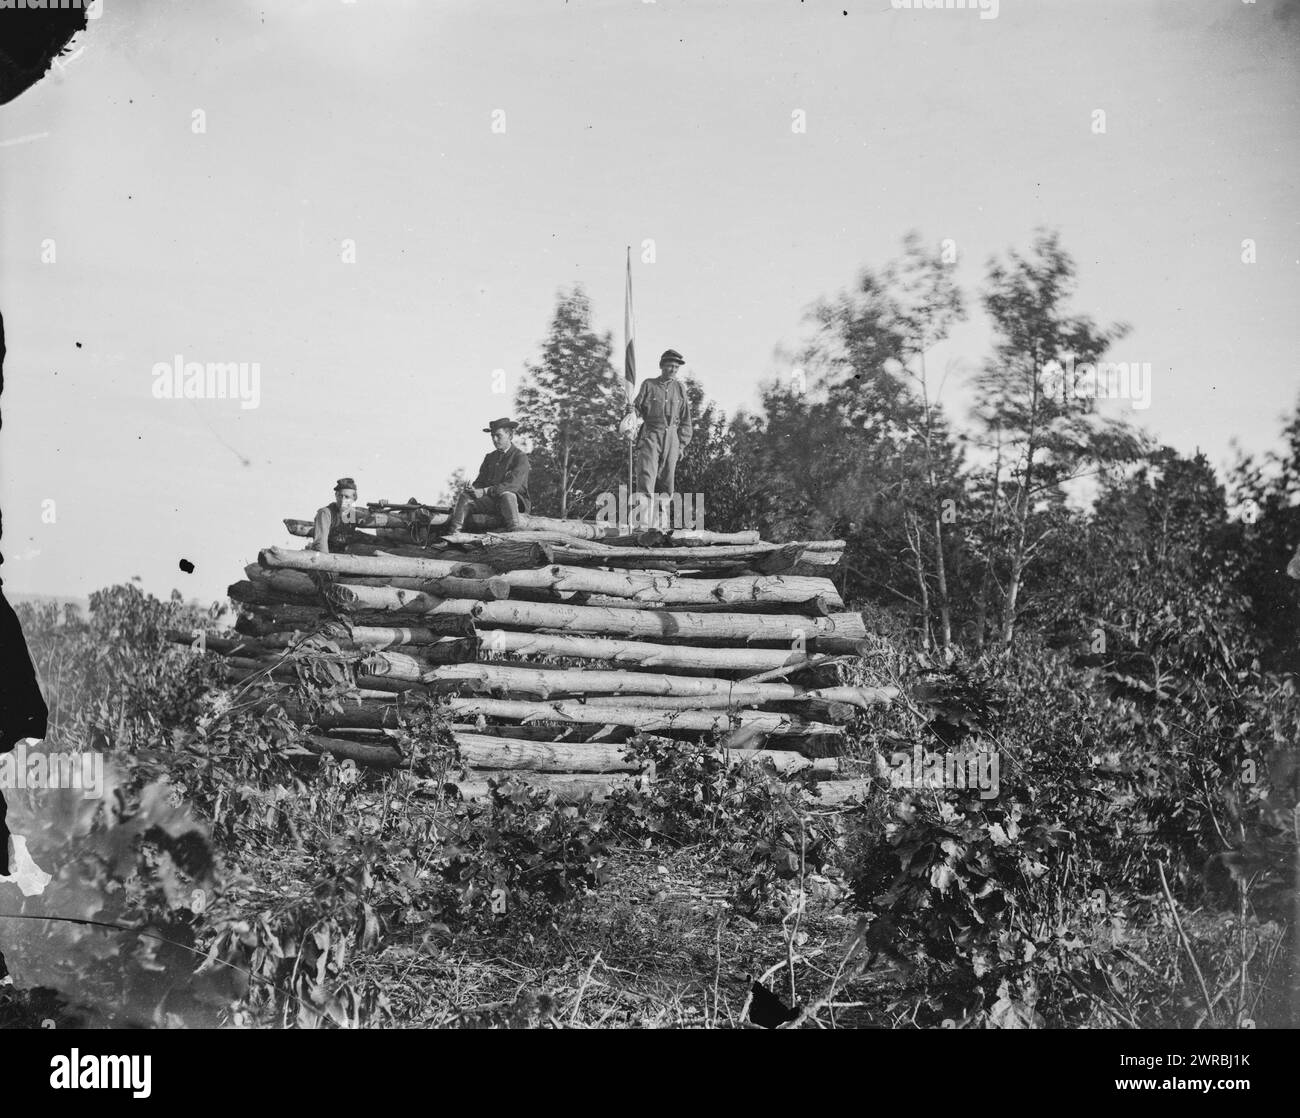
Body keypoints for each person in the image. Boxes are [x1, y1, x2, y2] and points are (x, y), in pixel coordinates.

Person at [447, 418, 531, 532]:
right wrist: (473, 489)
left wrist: (484, 491)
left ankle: (515, 534)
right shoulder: (490, 458)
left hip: (514, 504)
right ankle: (454, 535)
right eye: (492, 436)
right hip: (492, 502)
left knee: (507, 494)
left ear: (510, 436)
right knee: (465, 497)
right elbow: (480, 482)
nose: (494, 440)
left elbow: (512, 486)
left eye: (498, 436)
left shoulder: (520, 457)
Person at [629, 348, 693, 497]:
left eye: (676, 367)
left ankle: (660, 519)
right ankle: (643, 519)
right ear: (661, 366)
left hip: (672, 439)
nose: (673, 370)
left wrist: (681, 445)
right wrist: (630, 411)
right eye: (670, 366)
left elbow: (686, 420)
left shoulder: (680, 388)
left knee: (666, 483)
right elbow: (637, 410)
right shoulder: (649, 385)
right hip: (651, 435)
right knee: (646, 477)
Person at [311, 477, 360, 554]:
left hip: (344, 556)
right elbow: (320, 543)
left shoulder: (352, 514)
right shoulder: (326, 513)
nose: (343, 500)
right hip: (328, 556)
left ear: (354, 498)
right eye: (340, 496)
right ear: (336, 495)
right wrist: (327, 562)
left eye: (347, 497)